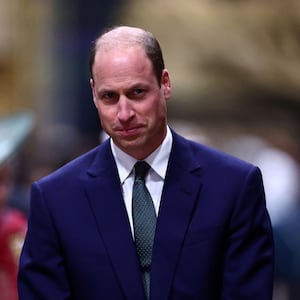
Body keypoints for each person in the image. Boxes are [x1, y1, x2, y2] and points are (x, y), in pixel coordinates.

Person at [18, 25, 274, 299]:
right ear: (93, 94)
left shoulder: (233, 187)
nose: (124, 113)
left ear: (165, 83)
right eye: (109, 97)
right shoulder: (56, 199)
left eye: (137, 92)